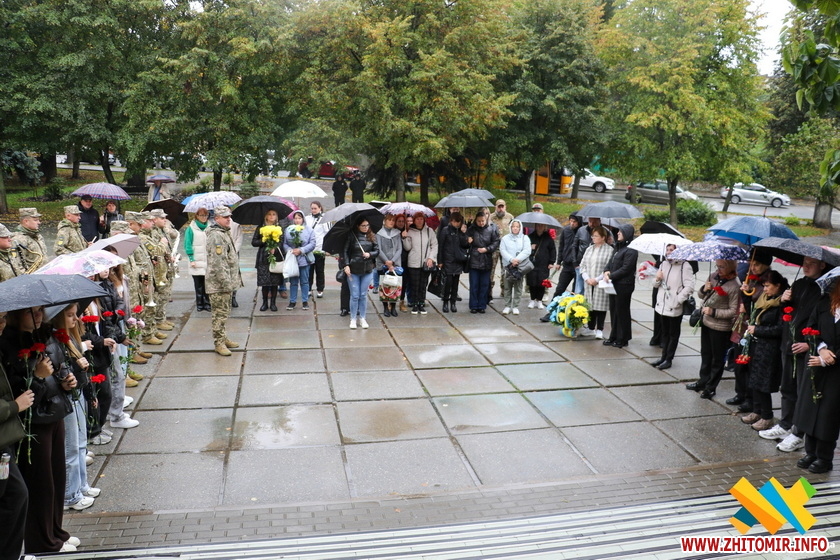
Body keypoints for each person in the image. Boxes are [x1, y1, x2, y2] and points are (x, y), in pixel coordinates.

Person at [0, 306, 79, 553]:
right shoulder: (8, 344)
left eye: (40, 310)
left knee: (56, 478)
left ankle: (55, 531)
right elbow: (16, 391)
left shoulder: (45, 334)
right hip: (34, 421)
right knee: (40, 484)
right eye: (30, 312)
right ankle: (42, 541)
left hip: (55, 411)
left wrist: (67, 382)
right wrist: (38, 377)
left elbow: (58, 366)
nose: (37, 315)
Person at [759, 256, 828, 452]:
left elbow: (824, 322)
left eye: (811, 263)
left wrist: (810, 344)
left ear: (822, 265)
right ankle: (785, 424)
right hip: (789, 343)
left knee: (803, 393)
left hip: (807, 347)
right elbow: (789, 314)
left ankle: (798, 433)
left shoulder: (825, 288)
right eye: (804, 263)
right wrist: (784, 301)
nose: (806, 266)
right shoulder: (799, 284)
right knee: (788, 388)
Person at [48, 304, 99, 512]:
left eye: (75, 314)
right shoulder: (56, 340)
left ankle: (81, 485)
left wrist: (89, 390)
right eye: (70, 315)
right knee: (70, 447)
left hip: (77, 393)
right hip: (68, 396)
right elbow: (59, 370)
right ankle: (70, 494)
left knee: (80, 443)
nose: (75, 319)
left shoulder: (71, 338)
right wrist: (76, 367)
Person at [0, 310, 34, 560]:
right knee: (14, 496)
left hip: (5, 438)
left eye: (3, 318)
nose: (1, 324)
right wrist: (15, 406)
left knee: (15, 495)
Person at [796, 279, 840, 473]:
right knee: (810, 408)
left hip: (836, 370)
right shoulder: (824, 303)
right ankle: (810, 452)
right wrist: (821, 349)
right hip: (816, 364)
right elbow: (810, 328)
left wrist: (831, 358)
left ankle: (824, 457)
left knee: (828, 414)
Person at [737, 270, 788, 432]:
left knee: (763, 383)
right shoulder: (765, 299)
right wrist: (745, 294)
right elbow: (752, 311)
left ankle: (767, 416)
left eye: (767, 286)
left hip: (770, 349)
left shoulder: (783, 303)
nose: (764, 289)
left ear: (778, 286)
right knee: (754, 380)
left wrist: (758, 330)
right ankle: (757, 411)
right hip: (756, 345)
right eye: (764, 286)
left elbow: (781, 329)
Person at [686, 259, 741, 399]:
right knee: (706, 354)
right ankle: (702, 381)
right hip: (707, 322)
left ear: (730, 267)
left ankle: (711, 387)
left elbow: (733, 311)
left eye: (722, 267)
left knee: (717, 359)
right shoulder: (713, 276)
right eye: (717, 266)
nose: (718, 269)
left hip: (721, 327)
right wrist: (705, 288)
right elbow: (701, 295)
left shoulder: (735, 285)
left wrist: (713, 312)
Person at [205, 206, 243, 356]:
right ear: (217, 218)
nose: (229, 219)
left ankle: (223, 338)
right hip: (219, 284)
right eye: (225, 217)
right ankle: (219, 343)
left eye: (229, 216)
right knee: (219, 314)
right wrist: (226, 284)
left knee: (224, 313)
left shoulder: (223, 232)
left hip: (225, 283)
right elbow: (218, 263)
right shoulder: (216, 235)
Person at [651, 244, 695, 369]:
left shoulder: (685, 266)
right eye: (667, 249)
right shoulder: (663, 264)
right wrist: (657, 278)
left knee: (673, 333)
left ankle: (669, 359)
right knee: (664, 332)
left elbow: (689, 287)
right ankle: (663, 357)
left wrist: (678, 300)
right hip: (662, 305)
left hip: (674, 306)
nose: (669, 252)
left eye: (672, 250)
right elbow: (655, 284)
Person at [602, 225, 638, 348]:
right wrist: (606, 270)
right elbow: (610, 261)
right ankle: (614, 335)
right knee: (614, 311)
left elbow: (626, 268)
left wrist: (611, 275)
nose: (617, 234)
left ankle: (623, 338)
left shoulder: (631, 250)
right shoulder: (618, 247)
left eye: (620, 232)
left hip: (624, 284)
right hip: (614, 284)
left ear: (626, 234)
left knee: (622, 311)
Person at [343, 217, 379, 328]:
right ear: (358, 226)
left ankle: (363, 318)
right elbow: (345, 251)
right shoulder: (352, 236)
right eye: (363, 225)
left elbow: (377, 250)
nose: (365, 227)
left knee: (363, 295)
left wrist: (370, 254)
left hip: (367, 269)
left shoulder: (372, 236)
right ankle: (353, 318)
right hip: (353, 269)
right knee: (355, 295)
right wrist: (346, 265)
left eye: (367, 225)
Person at [578, 226, 614, 339]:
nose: (593, 238)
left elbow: (609, 267)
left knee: (601, 306)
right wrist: (587, 278)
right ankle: (590, 328)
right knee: (590, 305)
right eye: (592, 236)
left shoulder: (609, 250)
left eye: (596, 236)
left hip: (601, 281)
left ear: (603, 237)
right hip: (588, 281)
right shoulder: (589, 249)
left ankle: (600, 329)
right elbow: (582, 265)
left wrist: (597, 279)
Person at [402, 212, 438, 314]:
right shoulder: (410, 231)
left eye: (421, 219)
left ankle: (421, 303)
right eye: (417, 219)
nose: (419, 221)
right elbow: (407, 248)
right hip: (413, 262)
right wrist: (405, 238)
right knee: (414, 284)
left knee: (423, 284)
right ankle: (414, 304)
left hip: (426, 262)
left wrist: (431, 258)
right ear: (414, 220)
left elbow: (434, 245)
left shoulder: (429, 231)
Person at [466, 211, 500, 314]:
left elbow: (496, 242)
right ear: (476, 221)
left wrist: (487, 249)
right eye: (479, 221)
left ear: (486, 220)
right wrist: (468, 240)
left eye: (483, 221)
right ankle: (473, 305)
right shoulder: (471, 229)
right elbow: (464, 241)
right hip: (474, 259)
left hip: (486, 259)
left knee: (484, 284)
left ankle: (482, 305)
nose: (481, 223)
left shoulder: (491, 229)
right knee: (474, 284)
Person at [283, 210, 316, 311]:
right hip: (293, 259)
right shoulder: (288, 229)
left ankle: (305, 301)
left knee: (304, 281)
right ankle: (292, 301)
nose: (297, 220)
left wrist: (301, 250)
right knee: (293, 282)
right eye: (295, 218)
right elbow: (285, 243)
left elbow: (312, 243)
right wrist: (290, 250)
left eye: (299, 218)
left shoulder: (309, 230)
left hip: (304, 259)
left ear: (303, 219)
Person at [436, 212, 469, 314]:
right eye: (454, 221)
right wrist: (440, 260)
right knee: (448, 282)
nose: (456, 224)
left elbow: (465, 245)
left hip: (458, 260)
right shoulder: (446, 230)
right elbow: (441, 246)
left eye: (458, 222)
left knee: (455, 283)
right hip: (448, 260)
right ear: (451, 221)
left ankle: (453, 302)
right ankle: (445, 301)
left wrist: (464, 234)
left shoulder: (461, 231)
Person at [253, 210, 284, 312]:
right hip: (263, 258)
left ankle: (273, 303)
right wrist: (264, 240)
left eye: (274, 214)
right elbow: (254, 242)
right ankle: (265, 303)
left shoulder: (279, 228)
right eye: (269, 214)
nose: (271, 216)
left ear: (276, 216)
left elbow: (282, 241)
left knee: (275, 281)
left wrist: (275, 248)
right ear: (266, 216)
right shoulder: (260, 227)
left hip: (275, 257)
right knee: (264, 282)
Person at [499, 219, 531, 315]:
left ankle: (516, 306)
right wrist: (511, 259)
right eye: (513, 226)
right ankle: (507, 305)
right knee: (507, 286)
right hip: (508, 266)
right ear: (510, 227)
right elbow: (502, 250)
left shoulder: (525, 238)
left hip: (519, 266)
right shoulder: (505, 238)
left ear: (520, 228)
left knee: (518, 287)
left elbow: (527, 250)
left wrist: (517, 259)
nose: (515, 228)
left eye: (517, 226)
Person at [184, 208, 211, 312]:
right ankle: (199, 303)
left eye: (205, 215)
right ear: (197, 216)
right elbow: (187, 244)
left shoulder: (210, 227)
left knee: (207, 284)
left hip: (208, 260)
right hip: (196, 260)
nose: (204, 218)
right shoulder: (191, 228)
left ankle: (207, 303)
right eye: (201, 215)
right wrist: (191, 259)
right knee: (198, 284)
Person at [376, 214, 403, 317]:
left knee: (394, 285)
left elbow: (399, 249)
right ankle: (385, 307)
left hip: (395, 264)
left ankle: (393, 306)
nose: (391, 222)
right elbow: (378, 248)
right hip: (383, 263)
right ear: (385, 221)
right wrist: (387, 261)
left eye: (393, 220)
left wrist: (392, 261)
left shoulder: (397, 233)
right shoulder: (379, 233)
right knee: (385, 285)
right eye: (389, 220)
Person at [526, 223, 556, 310]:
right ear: (535, 226)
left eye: (542, 226)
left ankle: (539, 300)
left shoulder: (548, 238)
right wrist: (530, 247)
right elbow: (524, 249)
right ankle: (532, 299)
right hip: (532, 263)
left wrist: (551, 262)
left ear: (545, 227)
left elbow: (553, 250)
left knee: (542, 283)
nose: (540, 227)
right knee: (532, 282)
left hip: (544, 264)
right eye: (538, 225)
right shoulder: (530, 237)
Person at [489, 200, 514, 298]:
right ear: (495, 207)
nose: (500, 209)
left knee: (506, 271)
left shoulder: (510, 217)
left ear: (505, 207)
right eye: (499, 207)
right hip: (494, 248)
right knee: (491, 270)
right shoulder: (491, 217)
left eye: (502, 207)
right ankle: (489, 291)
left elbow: (514, 231)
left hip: (506, 248)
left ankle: (504, 291)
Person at [306, 202, 330, 298]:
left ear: (320, 208)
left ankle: (320, 289)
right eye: (312, 208)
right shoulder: (307, 218)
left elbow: (327, 233)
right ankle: (308, 288)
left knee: (319, 271)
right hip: (309, 249)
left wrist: (327, 248)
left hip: (319, 249)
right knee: (309, 271)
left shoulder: (324, 219)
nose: (313, 210)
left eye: (315, 208)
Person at [13, 208, 49, 273]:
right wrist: (27, 277)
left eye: (38, 220)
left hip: (44, 273)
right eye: (35, 220)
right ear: (26, 221)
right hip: (32, 276)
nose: (39, 222)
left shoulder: (37, 235)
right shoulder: (18, 239)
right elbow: (17, 265)